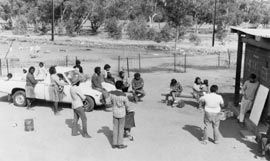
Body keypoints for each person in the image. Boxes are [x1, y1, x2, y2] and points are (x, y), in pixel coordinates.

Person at [108, 81, 129, 149]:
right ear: (122, 86)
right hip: (122, 113)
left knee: (115, 128)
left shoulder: (112, 93)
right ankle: (120, 144)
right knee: (121, 128)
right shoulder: (124, 95)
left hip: (114, 112)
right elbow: (127, 105)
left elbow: (108, 101)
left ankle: (114, 143)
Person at [70, 74, 91, 138]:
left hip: (74, 105)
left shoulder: (71, 88)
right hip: (79, 105)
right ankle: (85, 134)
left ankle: (74, 132)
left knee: (75, 119)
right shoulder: (77, 88)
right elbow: (83, 97)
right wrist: (85, 97)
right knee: (84, 119)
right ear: (77, 82)